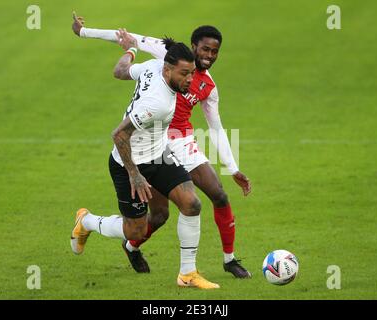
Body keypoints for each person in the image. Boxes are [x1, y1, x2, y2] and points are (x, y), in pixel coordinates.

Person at [72, 13, 252, 278]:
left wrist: (233, 167)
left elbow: (216, 127)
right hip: (155, 141)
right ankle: (131, 245)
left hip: (181, 141)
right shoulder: (168, 54)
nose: (210, 55)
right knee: (158, 217)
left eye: (215, 51)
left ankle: (228, 260)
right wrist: (84, 33)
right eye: (205, 49)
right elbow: (128, 37)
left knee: (217, 195)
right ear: (193, 46)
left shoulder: (209, 86)